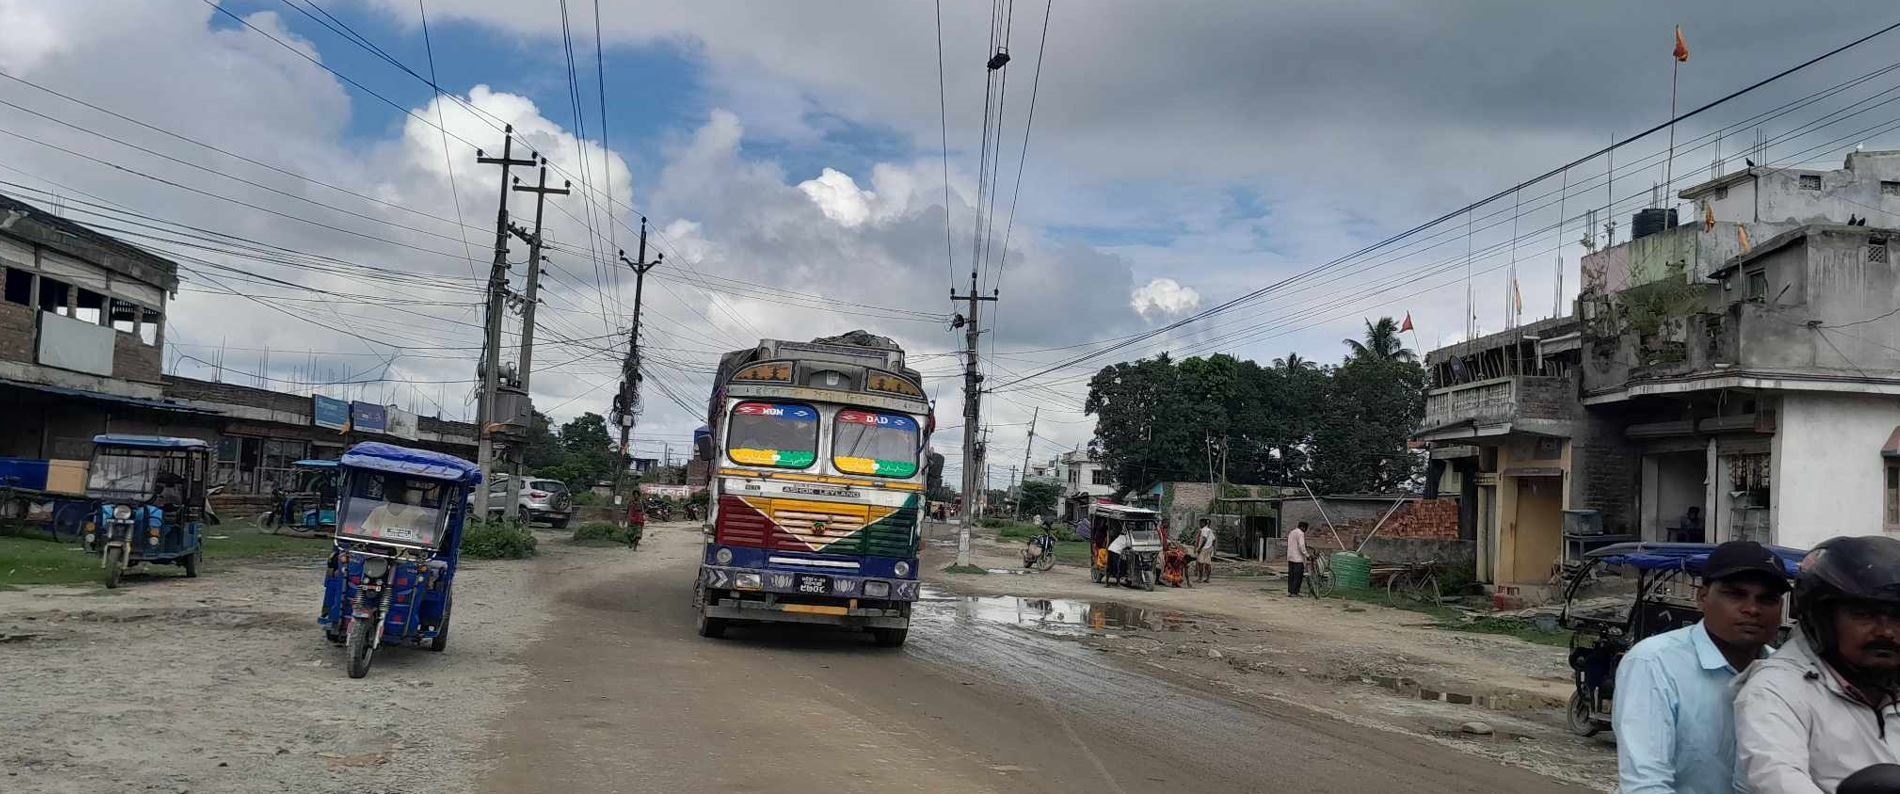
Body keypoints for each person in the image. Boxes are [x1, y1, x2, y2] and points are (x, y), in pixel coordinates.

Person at [1610, 540, 1788, 794]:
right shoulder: (1655, 663)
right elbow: (1646, 785)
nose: (1752, 609)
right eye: (1735, 594)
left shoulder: (1784, 676)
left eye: (1767, 600)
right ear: (1702, 598)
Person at [1735, 535, 1900, 793]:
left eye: (1897, 617)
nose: (1886, 632)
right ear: (1822, 619)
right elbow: (1777, 779)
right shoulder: (1775, 690)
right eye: (1864, 614)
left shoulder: (1888, 681)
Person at [1286, 521, 1310, 596]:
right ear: (1303, 527)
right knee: (1298, 576)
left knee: (1291, 575)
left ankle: (1291, 591)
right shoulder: (1300, 533)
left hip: (1290, 557)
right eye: (1306, 528)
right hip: (1298, 558)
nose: (1305, 530)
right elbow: (1301, 546)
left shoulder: (1292, 532)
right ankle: (1295, 592)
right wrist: (1307, 555)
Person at [1195, 518, 1218, 584]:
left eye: (1200, 523)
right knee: (1208, 564)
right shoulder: (1209, 530)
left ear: (1203, 523)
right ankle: (1207, 578)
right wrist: (1212, 548)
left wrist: (1200, 548)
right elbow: (1214, 539)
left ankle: (1200, 578)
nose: (1199, 524)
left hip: (1203, 549)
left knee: (1200, 563)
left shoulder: (1204, 530)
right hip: (1209, 549)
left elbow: (1204, 539)